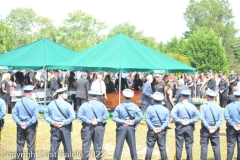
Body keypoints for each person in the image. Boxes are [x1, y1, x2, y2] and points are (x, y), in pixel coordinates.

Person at [44, 87, 75, 160]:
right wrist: (63, 123)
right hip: (65, 128)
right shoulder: (67, 105)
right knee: (68, 148)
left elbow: (45, 115)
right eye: (66, 93)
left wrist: (53, 122)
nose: (67, 94)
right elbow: (72, 116)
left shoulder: (51, 104)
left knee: (54, 148)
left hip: (54, 128)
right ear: (61, 94)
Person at [113, 89, 143, 160]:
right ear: (131, 97)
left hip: (121, 127)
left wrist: (124, 122)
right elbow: (141, 116)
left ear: (123, 96)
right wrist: (133, 121)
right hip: (131, 127)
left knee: (119, 146)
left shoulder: (119, 106)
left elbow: (114, 118)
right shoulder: (134, 106)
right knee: (133, 146)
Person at [78, 90, 108, 160]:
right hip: (99, 127)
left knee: (85, 147)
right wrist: (98, 120)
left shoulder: (84, 105)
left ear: (89, 96)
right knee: (98, 147)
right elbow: (106, 116)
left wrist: (89, 121)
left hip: (87, 128)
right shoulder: (102, 105)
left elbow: (79, 116)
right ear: (97, 97)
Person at [171, 90, 200, 160]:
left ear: (181, 96)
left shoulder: (178, 106)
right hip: (189, 127)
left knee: (179, 145)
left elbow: (172, 114)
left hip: (180, 126)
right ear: (189, 97)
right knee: (189, 145)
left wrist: (180, 121)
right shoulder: (192, 106)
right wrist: (189, 121)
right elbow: (198, 117)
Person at [12, 85, 38, 160]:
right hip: (30, 126)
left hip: (20, 126)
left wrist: (20, 123)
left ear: (24, 93)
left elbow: (14, 115)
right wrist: (27, 124)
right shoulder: (34, 104)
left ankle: (19, 158)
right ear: (31, 93)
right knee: (30, 145)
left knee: (20, 144)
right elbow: (35, 117)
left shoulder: (18, 103)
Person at [145, 92, 169, 160]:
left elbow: (147, 119)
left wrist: (153, 128)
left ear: (153, 100)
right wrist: (161, 128)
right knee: (162, 148)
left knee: (149, 148)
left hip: (152, 130)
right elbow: (167, 121)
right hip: (161, 130)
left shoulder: (149, 108)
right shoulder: (165, 109)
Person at [200, 89, 223, 160]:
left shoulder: (203, 107)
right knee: (216, 147)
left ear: (207, 96)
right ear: (214, 97)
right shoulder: (218, 107)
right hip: (215, 129)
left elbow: (202, 118)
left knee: (204, 147)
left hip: (205, 129)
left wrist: (208, 127)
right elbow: (221, 119)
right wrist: (215, 127)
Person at [224, 90, 240, 160]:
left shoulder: (229, 106)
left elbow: (226, 116)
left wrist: (233, 124)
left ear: (235, 97)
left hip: (231, 128)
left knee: (230, 145)